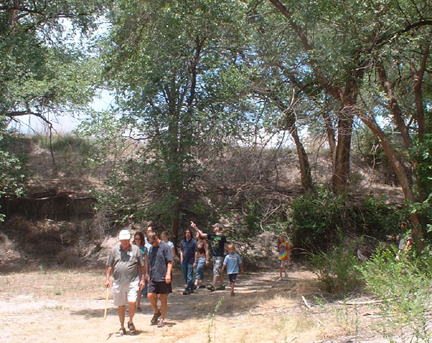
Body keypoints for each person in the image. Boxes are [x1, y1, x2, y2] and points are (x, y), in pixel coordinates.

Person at [105, 230, 145, 336]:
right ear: (120, 240)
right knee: (121, 305)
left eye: (126, 240)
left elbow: (142, 266)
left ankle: (130, 321)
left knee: (132, 302)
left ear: (129, 240)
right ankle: (122, 327)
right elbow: (109, 265)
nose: (124, 243)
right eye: (122, 241)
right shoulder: (115, 250)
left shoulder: (136, 250)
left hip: (132, 281)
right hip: (118, 281)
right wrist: (107, 279)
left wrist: (143, 279)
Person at [146, 231, 173, 328]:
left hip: (163, 276)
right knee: (150, 295)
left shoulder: (165, 247)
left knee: (163, 298)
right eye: (149, 243)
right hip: (153, 276)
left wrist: (168, 274)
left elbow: (170, 262)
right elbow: (150, 263)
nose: (151, 244)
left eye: (152, 242)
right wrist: (148, 273)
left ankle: (162, 319)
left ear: (156, 238)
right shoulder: (151, 249)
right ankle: (156, 312)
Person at [190, 221, 227, 291]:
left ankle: (213, 285)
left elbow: (226, 245)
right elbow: (202, 234)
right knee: (218, 271)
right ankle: (222, 285)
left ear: (218, 228)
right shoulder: (212, 235)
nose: (213, 228)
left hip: (219, 256)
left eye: (214, 227)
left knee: (215, 270)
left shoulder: (222, 236)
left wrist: (229, 253)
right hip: (214, 256)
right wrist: (195, 227)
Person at [132, 231, 148, 312]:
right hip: (132, 269)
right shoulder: (131, 248)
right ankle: (132, 304)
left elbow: (146, 262)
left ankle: (138, 304)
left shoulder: (144, 249)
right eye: (136, 239)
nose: (137, 240)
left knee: (139, 288)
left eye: (139, 239)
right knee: (132, 288)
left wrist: (146, 272)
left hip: (141, 269)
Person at [180, 229, 198, 295]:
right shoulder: (182, 242)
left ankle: (188, 289)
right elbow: (181, 250)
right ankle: (192, 285)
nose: (187, 234)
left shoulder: (194, 242)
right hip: (184, 261)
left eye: (189, 233)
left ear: (191, 234)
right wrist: (181, 259)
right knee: (185, 275)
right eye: (186, 233)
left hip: (191, 261)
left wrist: (195, 262)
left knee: (189, 276)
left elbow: (196, 252)